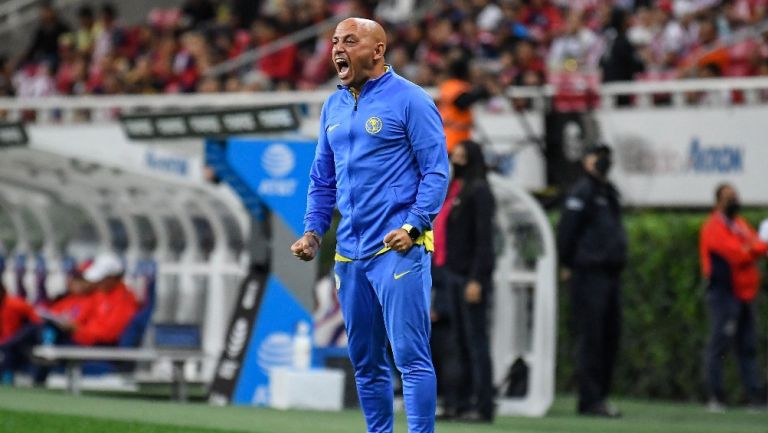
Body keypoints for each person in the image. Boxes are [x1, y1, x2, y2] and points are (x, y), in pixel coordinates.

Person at [291, 17, 449, 433]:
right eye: (334, 41)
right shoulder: (333, 105)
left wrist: (414, 226)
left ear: (377, 50)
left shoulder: (411, 101)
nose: (337, 48)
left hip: (398, 248)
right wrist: (312, 231)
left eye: (350, 40)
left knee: (411, 357)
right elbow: (322, 179)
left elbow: (436, 172)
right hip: (349, 252)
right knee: (365, 361)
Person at [557, 143, 627, 418]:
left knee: (610, 335)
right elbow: (567, 231)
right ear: (586, 161)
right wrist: (567, 263)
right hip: (588, 274)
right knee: (592, 337)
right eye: (598, 156)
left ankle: (601, 395)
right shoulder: (582, 191)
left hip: (610, 275)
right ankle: (589, 398)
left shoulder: (609, 192)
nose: (603, 161)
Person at [431, 139, 496, 422]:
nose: (455, 160)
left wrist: (477, 279)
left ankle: (482, 405)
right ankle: (456, 402)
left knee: (475, 342)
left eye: (460, 156)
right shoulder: (453, 190)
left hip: (468, 277)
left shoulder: (480, 191)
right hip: (449, 273)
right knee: (454, 342)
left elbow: (484, 240)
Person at [699, 184, 767, 411]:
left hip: (746, 294)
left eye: (735, 197)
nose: (734, 201)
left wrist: (755, 246)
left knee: (747, 346)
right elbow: (739, 253)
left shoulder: (739, 224)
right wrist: (755, 247)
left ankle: (754, 397)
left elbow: (756, 245)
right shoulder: (713, 227)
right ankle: (716, 396)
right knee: (720, 344)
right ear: (718, 201)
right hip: (724, 294)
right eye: (729, 198)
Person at [67, 253, 138, 346]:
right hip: (85, 342)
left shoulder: (125, 301)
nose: (97, 282)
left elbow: (108, 334)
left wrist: (77, 330)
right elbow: (83, 314)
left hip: (100, 349)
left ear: (112, 278)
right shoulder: (101, 294)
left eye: (101, 278)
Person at [0, 279, 42, 379]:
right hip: (7, 342)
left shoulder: (16, 304)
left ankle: (7, 378)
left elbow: (36, 323)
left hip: (22, 342)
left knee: (8, 348)